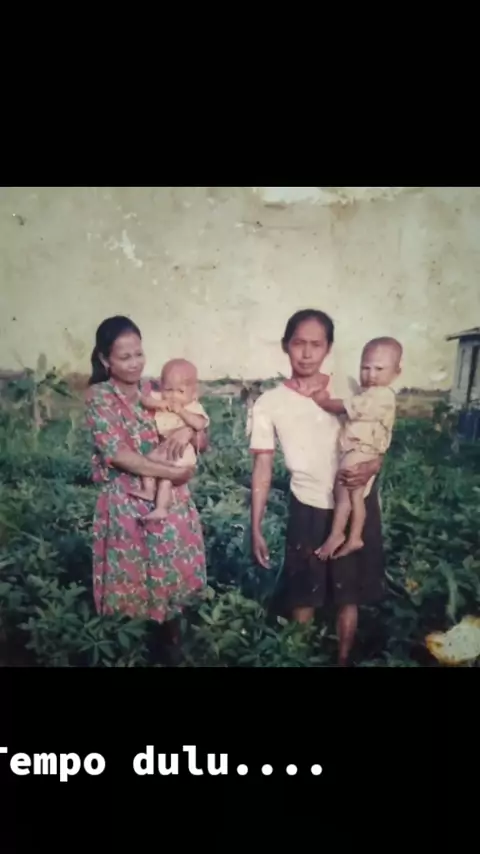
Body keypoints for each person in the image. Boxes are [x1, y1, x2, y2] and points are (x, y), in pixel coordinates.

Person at [249, 308, 386, 667]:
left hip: (356, 503)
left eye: (316, 344)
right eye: (299, 343)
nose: (307, 354)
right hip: (307, 505)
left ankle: (343, 659)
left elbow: (378, 439)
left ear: (328, 348)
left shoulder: (351, 389)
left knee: (348, 595)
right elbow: (262, 468)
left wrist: (373, 466)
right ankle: (297, 657)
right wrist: (255, 526)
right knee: (303, 595)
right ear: (285, 345)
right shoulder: (269, 403)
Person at [84, 315, 208, 662]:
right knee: (131, 593)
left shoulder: (157, 388)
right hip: (127, 503)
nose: (135, 363)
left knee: (174, 591)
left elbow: (202, 437)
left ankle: (175, 654)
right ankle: (130, 656)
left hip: (170, 502)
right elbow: (118, 455)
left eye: (139, 353)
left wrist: (187, 431)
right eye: (124, 357)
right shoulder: (100, 397)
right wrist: (171, 471)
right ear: (105, 359)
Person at [314, 337, 401, 560]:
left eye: (379, 369)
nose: (371, 375)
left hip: (360, 450)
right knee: (354, 496)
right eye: (365, 368)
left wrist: (323, 401)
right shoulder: (370, 393)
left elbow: (344, 407)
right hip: (362, 450)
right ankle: (354, 536)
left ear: (396, 373)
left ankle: (337, 535)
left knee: (342, 493)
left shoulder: (381, 395)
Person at [130, 358, 209, 522]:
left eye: (180, 391)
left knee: (148, 462)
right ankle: (161, 508)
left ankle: (149, 490)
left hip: (182, 452)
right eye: (168, 389)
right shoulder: (162, 400)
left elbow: (200, 424)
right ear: (161, 386)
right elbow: (145, 400)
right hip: (168, 449)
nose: (173, 396)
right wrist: (158, 403)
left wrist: (181, 412)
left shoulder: (192, 406)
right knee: (165, 479)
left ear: (193, 393)